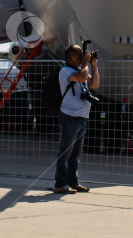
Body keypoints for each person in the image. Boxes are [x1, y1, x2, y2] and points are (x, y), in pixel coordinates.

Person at [53, 44, 100, 194]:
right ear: (73, 57)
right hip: (70, 116)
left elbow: (95, 84)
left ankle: (73, 182)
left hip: (82, 117)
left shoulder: (81, 71)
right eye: (80, 54)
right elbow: (83, 77)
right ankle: (60, 184)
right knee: (65, 152)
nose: (83, 57)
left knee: (76, 154)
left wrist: (94, 66)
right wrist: (86, 64)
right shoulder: (65, 71)